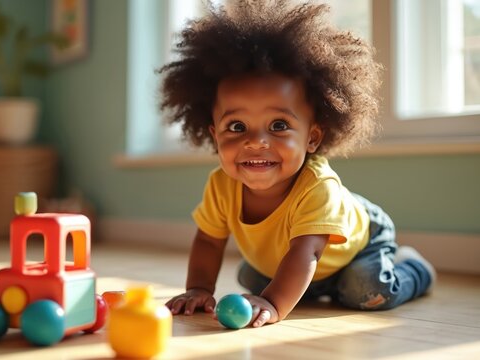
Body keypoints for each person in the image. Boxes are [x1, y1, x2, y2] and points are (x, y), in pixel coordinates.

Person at [159, 0, 435, 328]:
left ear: (312, 138)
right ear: (214, 136)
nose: (256, 141)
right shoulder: (221, 185)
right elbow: (208, 241)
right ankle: (312, 288)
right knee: (251, 275)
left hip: (356, 249)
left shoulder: (317, 188)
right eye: (236, 127)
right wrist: (199, 289)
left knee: (366, 291)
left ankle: (414, 267)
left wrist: (273, 304)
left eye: (278, 126)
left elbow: (307, 254)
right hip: (295, 261)